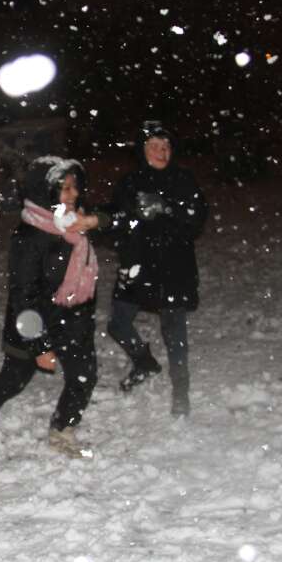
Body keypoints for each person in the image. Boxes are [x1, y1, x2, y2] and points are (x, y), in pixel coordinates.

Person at [0, 156, 104, 458]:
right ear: (46, 191)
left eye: (75, 186)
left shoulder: (76, 223)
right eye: (65, 188)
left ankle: (62, 430)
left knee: (84, 376)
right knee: (13, 379)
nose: (74, 194)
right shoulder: (29, 237)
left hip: (73, 319)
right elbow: (23, 296)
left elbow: (118, 221)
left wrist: (98, 220)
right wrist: (39, 347)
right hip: (34, 323)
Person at [102, 124, 209, 417]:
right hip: (138, 266)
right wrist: (105, 222)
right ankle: (144, 362)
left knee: (174, 334)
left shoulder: (183, 179)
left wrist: (167, 207)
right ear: (142, 150)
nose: (162, 152)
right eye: (155, 146)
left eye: (166, 146)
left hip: (174, 267)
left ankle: (181, 392)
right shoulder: (130, 182)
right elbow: (116, 220)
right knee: (118, 324)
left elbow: (196, 219)